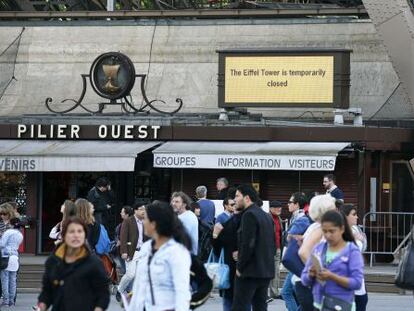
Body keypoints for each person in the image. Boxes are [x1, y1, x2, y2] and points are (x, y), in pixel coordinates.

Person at [129, 201, 192, 311]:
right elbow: (139, 286)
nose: (143, 222)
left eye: (145, 219)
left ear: (153, 224)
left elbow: (182, 292)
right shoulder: (146, 248)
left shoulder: (177, 252)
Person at [37, 217, 110, 311]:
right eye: (71, 232)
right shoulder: (53, 261)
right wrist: (42, 305)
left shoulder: (94, 263)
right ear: (64, 235)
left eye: (80, 231)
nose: (76, 235)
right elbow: (47, 292)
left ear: (85, 235)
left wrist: (98, 308)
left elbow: (103, 294)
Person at [301, 210, 364, 311]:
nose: (328, 235)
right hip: (319, 305)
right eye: (324, 231)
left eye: (332, 231)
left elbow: (357, 283)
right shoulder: (318, 248)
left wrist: (332, 276)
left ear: (342, 229)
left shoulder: (352, 251)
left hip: (342, 305)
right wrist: (310, 274)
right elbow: (304, 280)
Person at [232, 184, 275, 311]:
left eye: (237, 196)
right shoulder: (266, 215)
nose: (235, 199)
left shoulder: (249, 215)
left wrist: (240, 266)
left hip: (250, 272)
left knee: (239, 306)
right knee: (260, 306)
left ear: (247, 198)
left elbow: (248, 244)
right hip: (265, 271)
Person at [296, 194, 337, 311]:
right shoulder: (319, 228)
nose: (336, 212)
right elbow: (303, 252)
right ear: (324, 211)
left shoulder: (316, 227)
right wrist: (320, 274)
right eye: (333, 209)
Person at [211, 197, 245, 311]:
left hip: (229, 267)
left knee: (229, 301)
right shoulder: (246, 221)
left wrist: (215, 235)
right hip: (242, 269)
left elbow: (217, 247)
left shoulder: (229, 223)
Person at [281, 192, 307, 311]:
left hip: (298, 260)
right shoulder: (295, 217)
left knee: (286, 292)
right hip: (297, 260)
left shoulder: (301, 219)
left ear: (297, 204)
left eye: (290, 202)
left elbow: (289, 237)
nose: (288, 204)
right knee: (294, 293)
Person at [117, 199, 148, 297]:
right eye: (141, 209)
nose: (143, 211)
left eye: (144, 209)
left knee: (141, 275)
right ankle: (119, 290)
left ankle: (135, 294)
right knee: (131, 274)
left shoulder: (146, 221)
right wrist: (124, 251)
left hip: (143, 252)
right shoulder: (128, 221)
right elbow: (123, 237)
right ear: (135, 210)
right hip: (132, 251)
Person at [341, 204, 368, 311]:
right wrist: (358, 240)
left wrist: (360, 240)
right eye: (354, 214)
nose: (357, 217)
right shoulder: (341, 231)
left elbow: (363, 246)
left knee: (362, 301)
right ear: (345, 216)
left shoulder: (355, 229)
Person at [0, 217, 23, 307]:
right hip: (15, 257)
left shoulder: (8, 232)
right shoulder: (20, 234)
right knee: (13, 280)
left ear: (11, 224)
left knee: (5, 280)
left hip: (6, 256)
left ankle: (5, 301)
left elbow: (2, 244)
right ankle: (11, 301)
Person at [268, 200, 284, 301]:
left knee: (276, 271)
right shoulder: (267, 218)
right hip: (269, 249)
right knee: (268, 272)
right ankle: (264, 293)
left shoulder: (279, 218)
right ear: (270, 209)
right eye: (276, 208)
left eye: (280, 208)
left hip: (278, 248)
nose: (279, 209)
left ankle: (274, 292)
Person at [114, 205, 133, 274]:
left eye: (122, 212)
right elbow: (117, 235)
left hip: (126, 251)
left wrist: (120, 241)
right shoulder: (122, 224)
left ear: (127, 214)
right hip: (121, 250)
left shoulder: (130, 225)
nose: (120, 213)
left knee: (127, 272)